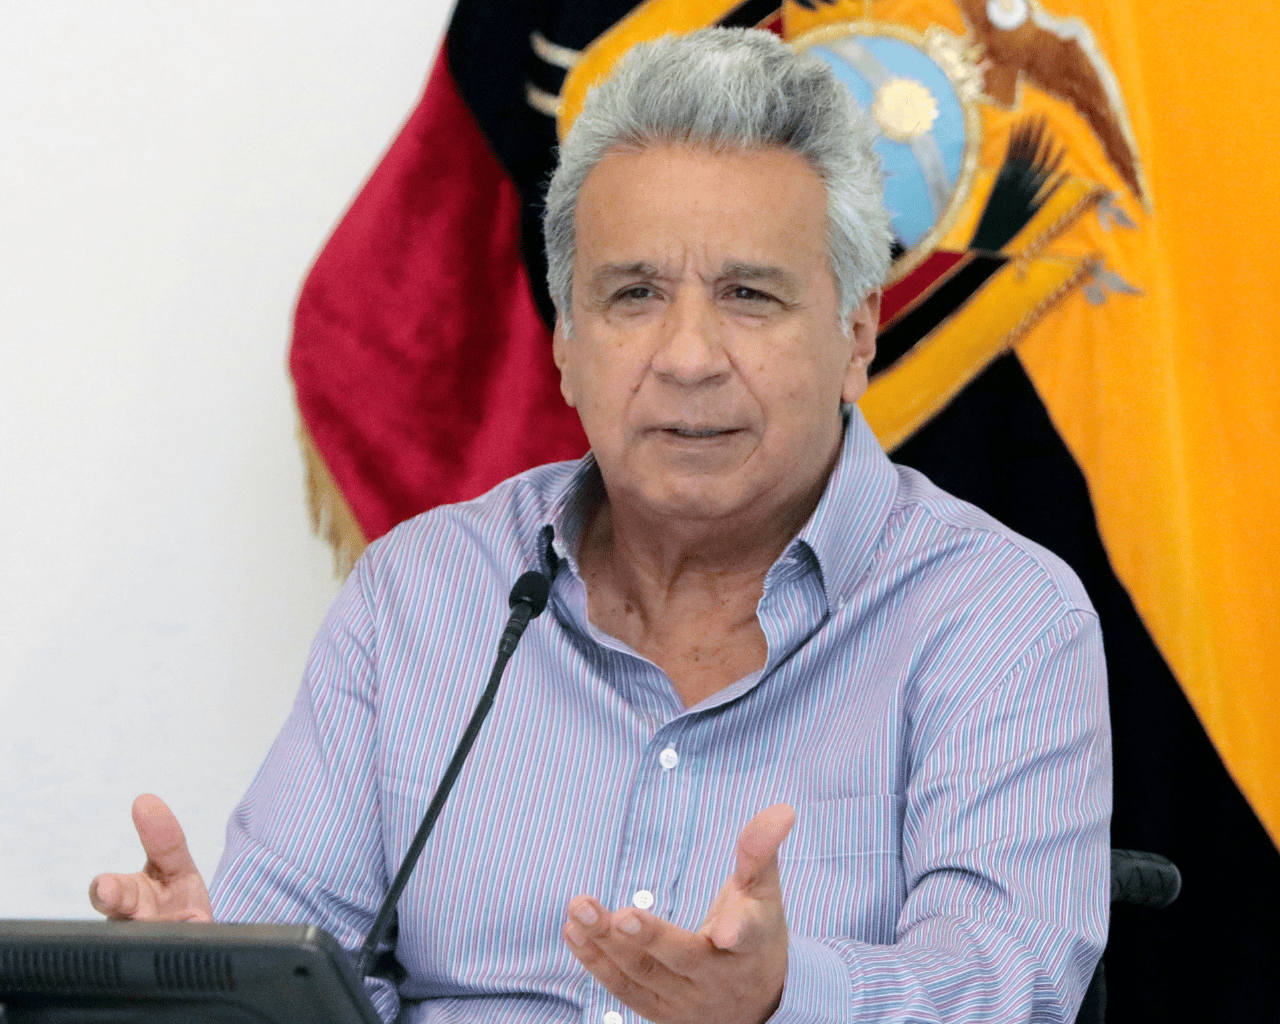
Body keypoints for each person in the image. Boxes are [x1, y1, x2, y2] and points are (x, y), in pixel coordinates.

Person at [90, 27, 1110, 1024]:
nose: (688, 357)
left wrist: (777, 998)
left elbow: (1008, 986)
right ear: (567, 347)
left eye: (748, 295)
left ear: (855, 336)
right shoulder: (420, 594)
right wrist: (217, 981)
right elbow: (302, 960)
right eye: (634, 295)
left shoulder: (996, 615)